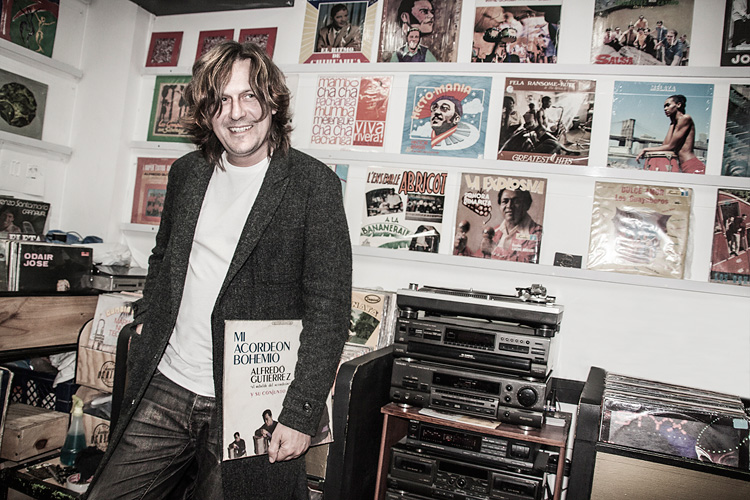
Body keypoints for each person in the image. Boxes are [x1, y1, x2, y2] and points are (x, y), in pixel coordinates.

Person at [85, 41, 352, 500]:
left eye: (249, 95)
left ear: (272, 102)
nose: (236, 112)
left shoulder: (314, 185)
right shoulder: (186, 173)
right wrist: (148, 315)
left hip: (251, 402)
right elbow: (163, 256)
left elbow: (329, 310)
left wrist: (300, 414)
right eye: (220, 100)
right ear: (206, 113)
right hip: (167, 382)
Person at [635, 94, 706, 174]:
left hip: (692, 166)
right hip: (683, 166)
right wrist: (672, 122)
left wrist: (645, 149)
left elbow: (670, 146)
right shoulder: (675, 123)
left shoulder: (685, 118)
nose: (665, 109)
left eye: (668, 105)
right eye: (664, 107)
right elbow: (666, 145)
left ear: (678, 105)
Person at [491, 189, 543, 263]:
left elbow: (528, 262)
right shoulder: (494, 231)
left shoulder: (538, 233)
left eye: (516, 201)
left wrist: (493, 250)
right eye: (505, 201)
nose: (509, 206)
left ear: (527, 205)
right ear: (500, 206)